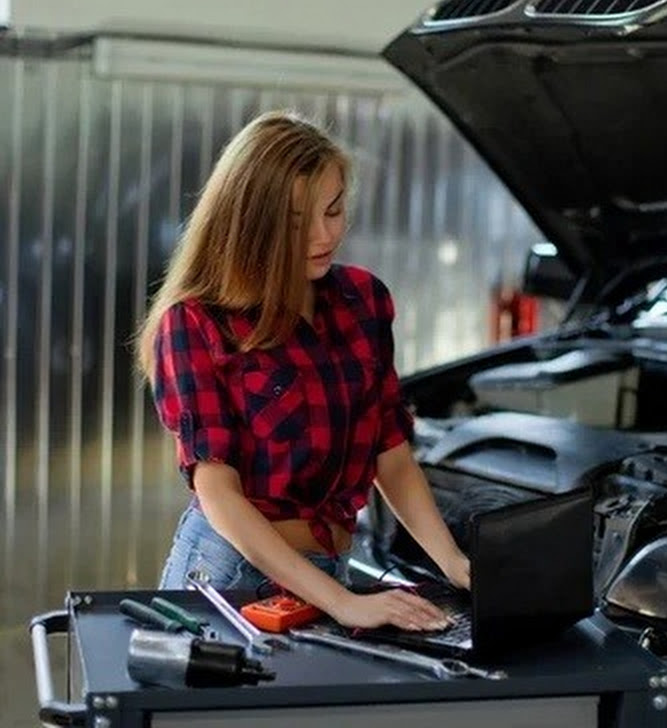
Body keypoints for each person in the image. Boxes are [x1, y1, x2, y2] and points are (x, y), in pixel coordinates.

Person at [137, 111, 469, 632]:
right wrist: (343, 602)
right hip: (230, 577)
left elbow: (392, 455)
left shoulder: (364, 300)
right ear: (249, 221)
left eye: (334, 211)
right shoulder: (196, 323)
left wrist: (456, 566)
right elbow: (219, 494)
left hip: (329, 571)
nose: (323, 235)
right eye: (296, 221)